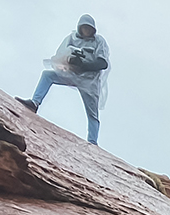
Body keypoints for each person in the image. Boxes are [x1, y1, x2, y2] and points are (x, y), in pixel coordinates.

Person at [18, 14, 110, 146]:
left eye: (89, 29)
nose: (86, 31)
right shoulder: (71, 38)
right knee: (47, 75)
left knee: (93, 114)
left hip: (90, 82)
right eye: (84, 28)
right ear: (80, 28)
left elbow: (102, 63)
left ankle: (92, 142)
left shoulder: (99, 41)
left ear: (93, 29)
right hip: (72, 74)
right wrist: (70, 59)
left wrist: (83, 63)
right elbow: (59, 55)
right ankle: (35, 103)